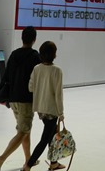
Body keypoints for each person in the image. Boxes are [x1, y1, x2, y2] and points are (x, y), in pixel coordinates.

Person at [0, 26, 41, 171]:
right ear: (34, 40)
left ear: (22, 38)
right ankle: (0, 160)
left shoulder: (14, 54)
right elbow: (37, 80)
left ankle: (29, 160)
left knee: (24, 130)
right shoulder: (35, 56)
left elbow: (6, 76)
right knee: (23, 131)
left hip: (13, 99)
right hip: (26, 100)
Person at [23, 41, 65, 171]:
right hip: (51, 110)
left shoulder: (37, 68)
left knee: (51, 136)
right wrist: (61, 113)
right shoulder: (57, 71)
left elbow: (30, 87)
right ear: (54, 54)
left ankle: (54, 163)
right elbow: (58, 94)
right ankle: (28, 165)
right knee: (45, 139)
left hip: (40, 109)